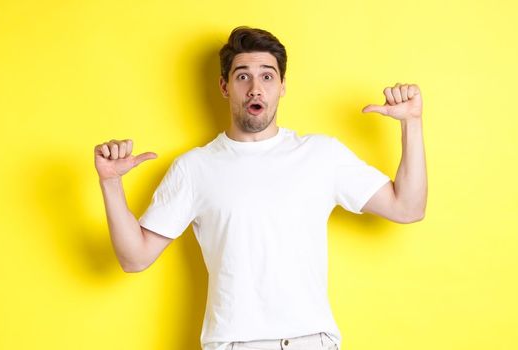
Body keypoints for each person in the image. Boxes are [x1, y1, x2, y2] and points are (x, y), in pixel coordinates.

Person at [93, 26, 427, 350]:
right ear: (224, 87)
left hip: (310, 341)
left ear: (282, 86)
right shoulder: (194, 168)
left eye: (267, 76)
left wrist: (411, 123)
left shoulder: (321, 155)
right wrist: (110, 182)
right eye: (243, 76)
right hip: (234, 343)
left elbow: (408, 208)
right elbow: (134, 258)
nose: (255, 88)